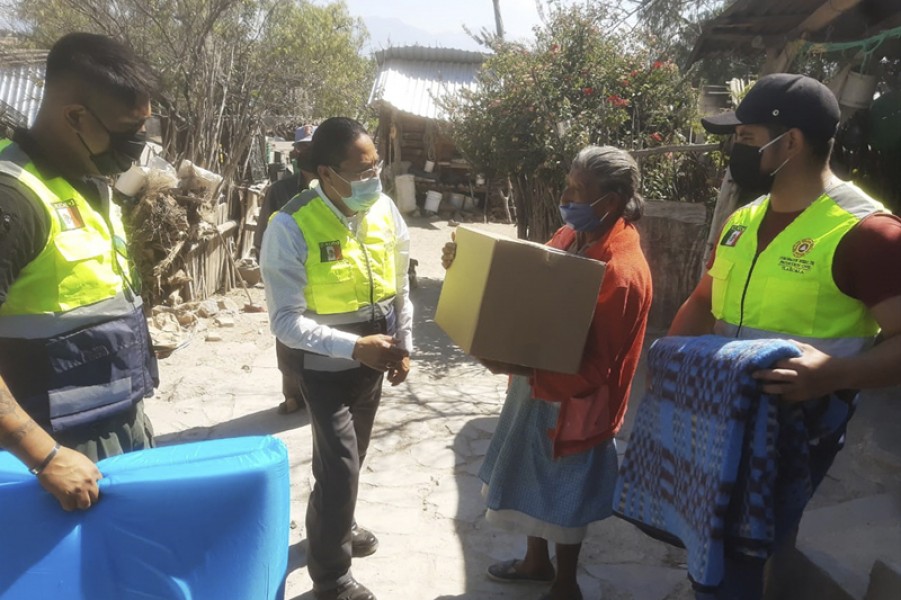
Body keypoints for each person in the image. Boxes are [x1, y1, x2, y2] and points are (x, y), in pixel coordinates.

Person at [670, 73, 901, 599]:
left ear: (789, 142)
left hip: (796, 429)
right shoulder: (743, 219)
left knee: (743, 549)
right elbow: (705, 302)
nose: (734, 149)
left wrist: (839, 373)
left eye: (744, 137)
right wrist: (669, 375)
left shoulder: (868, 234)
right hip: (720, 415)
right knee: (712, 536)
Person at [442, 145, 653, 600]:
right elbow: (535, 283)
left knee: (564, 491)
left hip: (578, 401)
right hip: (537, 381)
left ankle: (565, 583)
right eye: (568, 184)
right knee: (529, 475)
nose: (567, 196)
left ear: (610, 201)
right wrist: (467, 270)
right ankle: (536, 562)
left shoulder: (621, 270)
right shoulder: (574, 237)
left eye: (579, 190)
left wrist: (519, 365)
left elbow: (598, 366)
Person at [0, 32, 159, 511]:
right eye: (128, 131)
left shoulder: (90, 185)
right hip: (52, 464)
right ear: (75, 117)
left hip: (118, 429)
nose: (138, 145)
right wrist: (41, 454)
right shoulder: (14, 200)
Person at [260, 117, 412, 600]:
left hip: (375, 360)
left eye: (377, 167)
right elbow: (285, 321)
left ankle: (335, 526)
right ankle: (331, 578)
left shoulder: (385, 210)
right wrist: (353, 347)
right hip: (323, 366)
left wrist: (402, 343)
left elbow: (400, 287)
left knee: (347, 461)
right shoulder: (290, 224)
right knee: (341, 465)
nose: (374, 179)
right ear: (327, 173)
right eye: (362, 170)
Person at [254, 124, 317, 415]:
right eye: (302, 148)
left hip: (320, 273)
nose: (307, 153)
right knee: (288, 335)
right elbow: (264, 230)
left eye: (312, 148)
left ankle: (318, 393)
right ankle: (292, 394)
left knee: (320, 334)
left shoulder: (334, 189)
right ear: (295, 152)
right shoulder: (281, 190)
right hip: (287, 272)